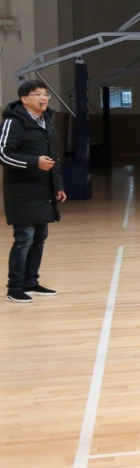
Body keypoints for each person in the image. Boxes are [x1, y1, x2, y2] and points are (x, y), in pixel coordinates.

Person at [2, 80, 67, 304]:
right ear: (24, 99)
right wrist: (33, 162)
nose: (43, 98)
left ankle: (31, 282)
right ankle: (15, 288)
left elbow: (53, 157)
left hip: (43, 191)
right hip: (22, 192)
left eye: (46, 94)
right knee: (24, 239)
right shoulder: (13, 122)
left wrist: (58, 185)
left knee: (39, 238)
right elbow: (3, 154)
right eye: (37, 94)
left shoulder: (47, 120)